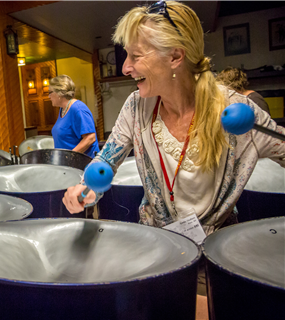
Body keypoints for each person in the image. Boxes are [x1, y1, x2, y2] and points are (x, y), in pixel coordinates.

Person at [62, 0, 285, 315]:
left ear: (176, 57)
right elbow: (106, 161)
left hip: (218, 260)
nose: (125, 67)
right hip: (157, 252)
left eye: (136, 56)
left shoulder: (237, 114)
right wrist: (84, 188)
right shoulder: (136, 107)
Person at [50, 75, 99, 158]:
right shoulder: (63, 109)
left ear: (59, 93)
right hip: (69, 164)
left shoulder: (78, 109)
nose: (49, 96)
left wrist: (69, 157)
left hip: (83, 164)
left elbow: (90, 138)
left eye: (50, 92)